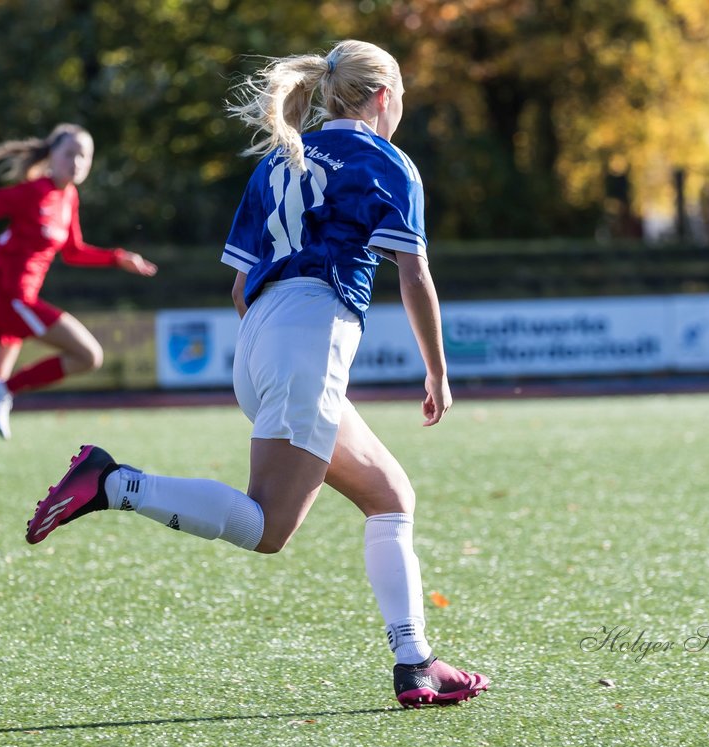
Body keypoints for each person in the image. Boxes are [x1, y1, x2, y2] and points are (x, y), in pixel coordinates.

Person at [25, 41, 488, 708]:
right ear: (383, 97)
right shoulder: (387, 161)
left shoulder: (282, 157)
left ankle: (416, 663)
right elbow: (413, 273)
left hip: (259, 339)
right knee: (268, 529)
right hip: (309, 338)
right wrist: (437, 373)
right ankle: (114, 481)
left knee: (390, 496)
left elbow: (242, 286)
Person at [0, 123, 158, 494]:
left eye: (84, 156)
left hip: (4, 299)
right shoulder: (33, 192)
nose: (77, 162)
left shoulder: (68, 197)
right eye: (69, 153)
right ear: (52, 156)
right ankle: (6, 390)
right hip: (9, 297)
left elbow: (73, 251)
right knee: (89, 355)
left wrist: (117, 257)